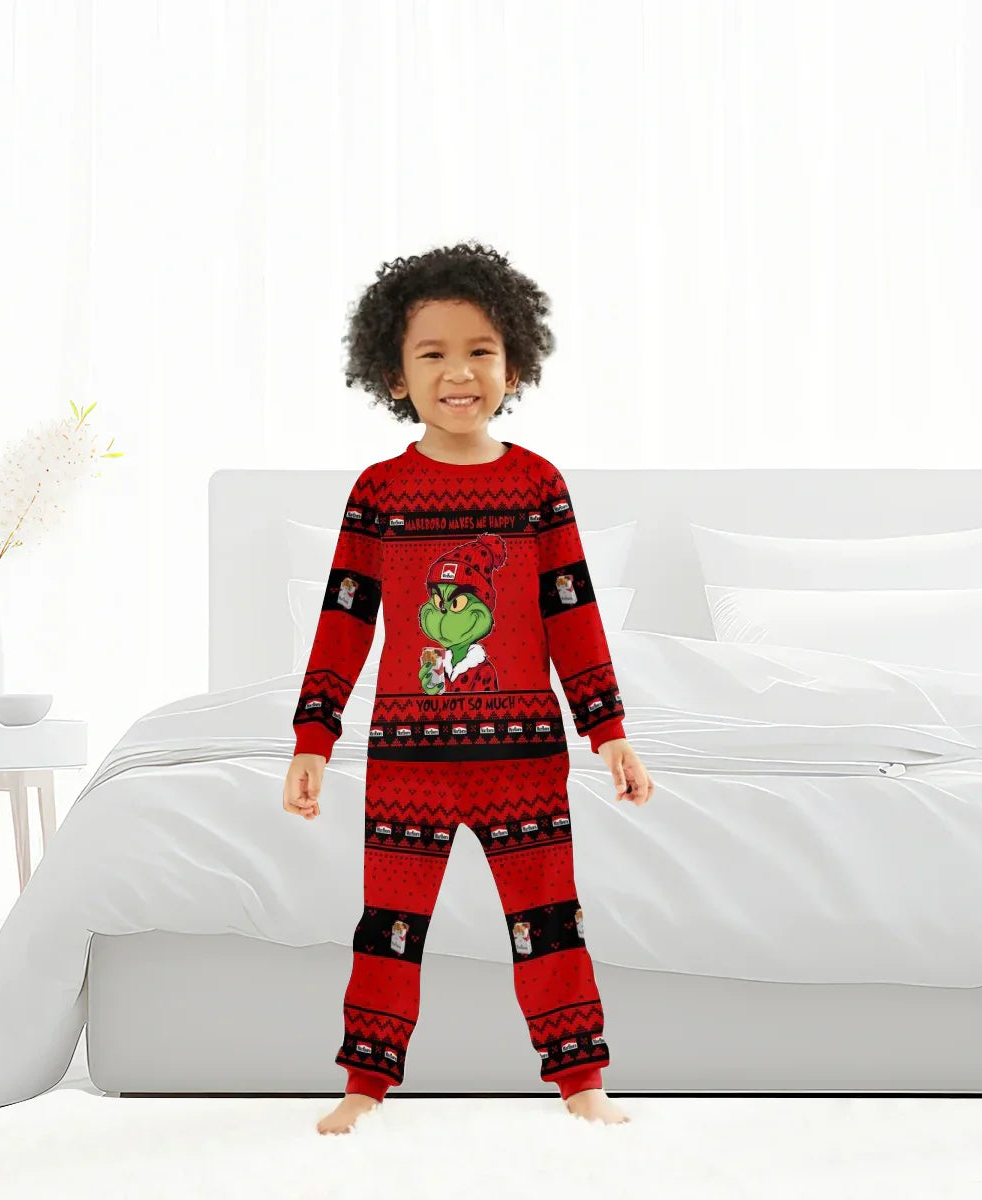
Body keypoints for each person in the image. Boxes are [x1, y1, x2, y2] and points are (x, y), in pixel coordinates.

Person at [282, 241, 654, 1136]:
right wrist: (313, 737)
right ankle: (364, 1086)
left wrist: (608, 731)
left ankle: (583, 1084)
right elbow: (344, 619)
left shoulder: (537, 488)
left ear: (515, 363)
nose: (459, 372)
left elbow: (574, 616)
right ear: (393, 374)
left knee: (550, 922)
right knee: (390, 925)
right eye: (433, 354)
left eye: (480, 350)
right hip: (408, 762)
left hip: (524, 758)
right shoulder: (381, 493)